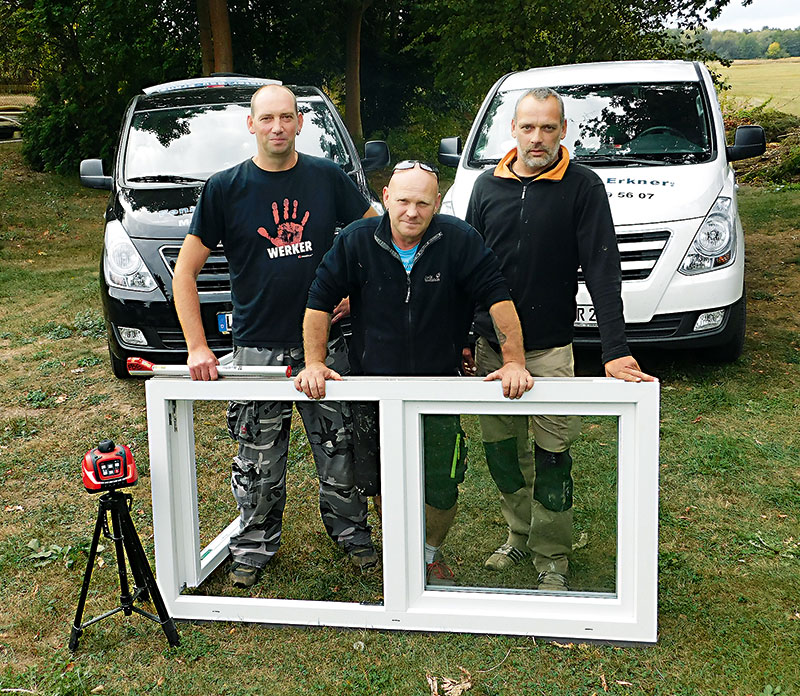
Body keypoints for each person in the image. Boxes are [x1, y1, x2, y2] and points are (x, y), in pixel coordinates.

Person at [172, 84, 379, 589]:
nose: (277, 127)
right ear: (251, 125)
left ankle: (354, 536)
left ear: (300, 123)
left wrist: (360, 293)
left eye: (286, 117)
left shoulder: (327, 178)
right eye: (267, 119)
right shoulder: (225, 188)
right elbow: (184, 273)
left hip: (323, 346)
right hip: (256, 346)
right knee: (257, 459)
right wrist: (198, 346)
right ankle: (255, 543)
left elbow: (379, 232)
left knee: (341, 448)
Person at [294, 160, 534, 586]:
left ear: (436, 203)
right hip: (376, 387)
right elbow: (318, 301)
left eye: (423, 203)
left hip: (438, 386)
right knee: (385, 480)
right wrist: (314, 363)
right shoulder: (355, 241)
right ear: (385, 198)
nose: (411, 212)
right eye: (402, 200)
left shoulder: (459, 240)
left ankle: (428, 553)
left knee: (442, 486)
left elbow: (498, 297)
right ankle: (401, 553)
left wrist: (514, 360)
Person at [464, 87, 656, 592]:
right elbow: (466, 269)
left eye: (548, 128)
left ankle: (553, 556)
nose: (538, 138)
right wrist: (461, 339)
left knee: (552, 456)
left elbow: (601, 267)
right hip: (491, 350)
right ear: (513, 129)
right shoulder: (486, 187)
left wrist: (615, 350)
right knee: (504, 453)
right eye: (528, 127)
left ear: (563, 130)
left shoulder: (583, 186)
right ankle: (518, 533)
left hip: (550, 350)